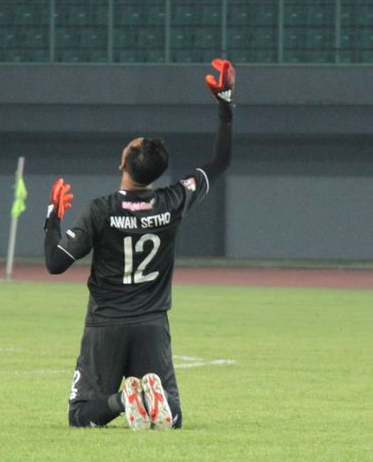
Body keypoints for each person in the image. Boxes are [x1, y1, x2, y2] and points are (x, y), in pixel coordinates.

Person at [43, 59, 235, 430]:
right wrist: (225, 104)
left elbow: (55, 263)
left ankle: (120, 400)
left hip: (106, 325)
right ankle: (150, 398)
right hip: (151, 323)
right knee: (174, 417)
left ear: (123, 163)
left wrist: (53, 217)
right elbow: (221, 161)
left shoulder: (100, 210)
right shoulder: (173, 200)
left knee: (81, 414)